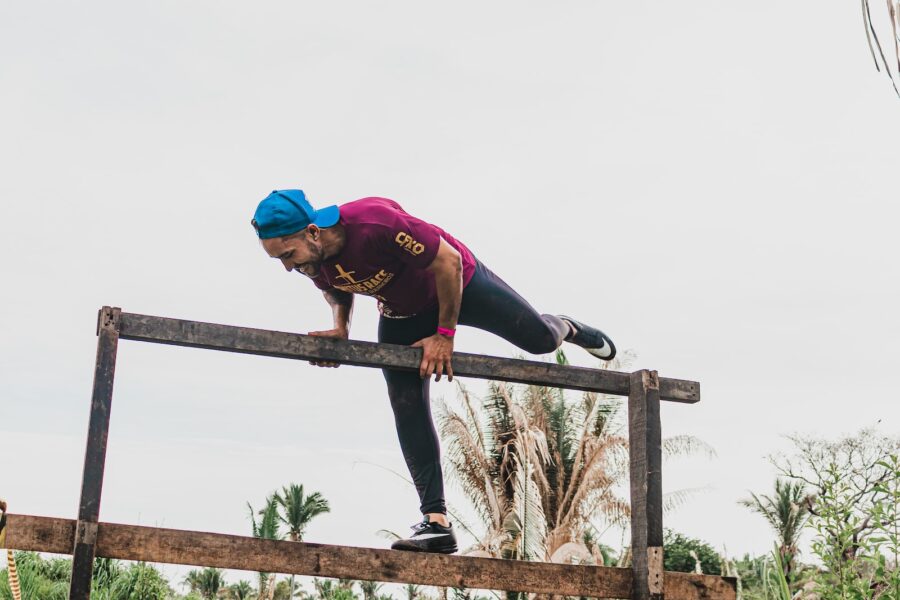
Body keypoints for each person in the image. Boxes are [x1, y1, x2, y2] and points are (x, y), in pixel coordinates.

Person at [251, 189, 616, 554]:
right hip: (402, 313)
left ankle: (567, 325)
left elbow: (448, 262)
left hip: (459, 285)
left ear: (313, 232)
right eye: (278, 259)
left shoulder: (374, 222)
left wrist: (444, 336)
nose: (287, 266)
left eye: (287, 254)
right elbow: (334, 285)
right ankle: (436, 523)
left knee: (539, 340)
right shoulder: (310, 258)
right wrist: (341, 328)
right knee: (405, 402)